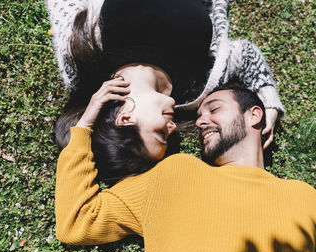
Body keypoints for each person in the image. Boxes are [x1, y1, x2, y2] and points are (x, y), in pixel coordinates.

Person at [55, 82, 316, 252]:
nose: (201, 121)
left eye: (214, 109)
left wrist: (272, 105)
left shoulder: (304, 196)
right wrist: (84, 127)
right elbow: (77, 221)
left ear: (255, 115)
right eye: (199, 116)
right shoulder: (174, 173)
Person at [47, 0, 285, 183]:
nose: (172, 128)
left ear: (125, 118)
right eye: (169, 136)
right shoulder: (198, 89)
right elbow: (245, 55)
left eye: (160, 133)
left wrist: (86, 122)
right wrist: (270, 106)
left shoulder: (84, 64)